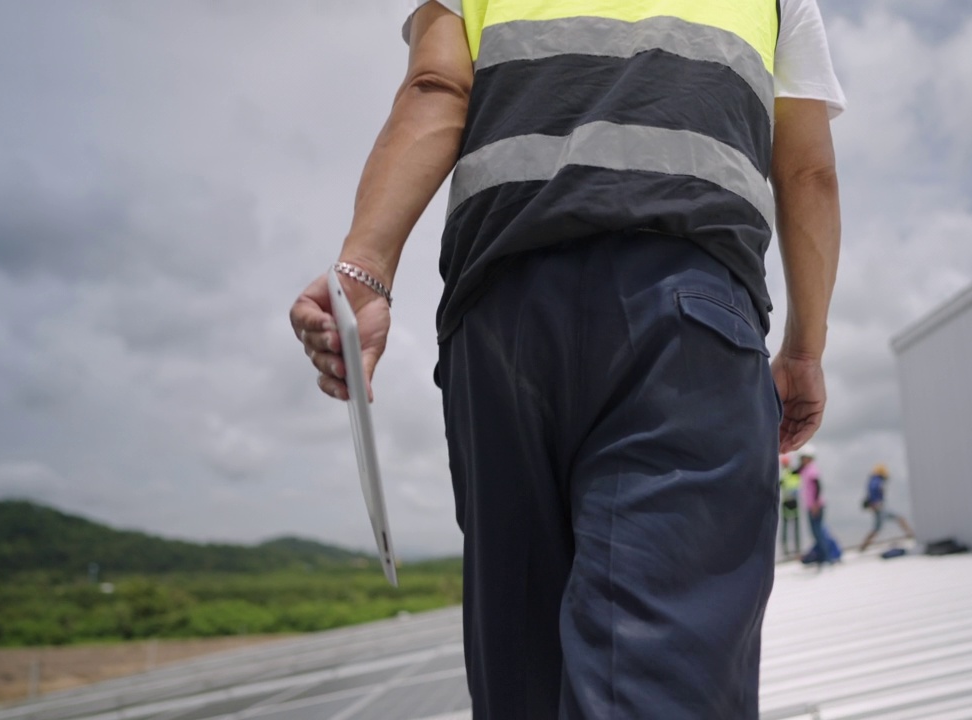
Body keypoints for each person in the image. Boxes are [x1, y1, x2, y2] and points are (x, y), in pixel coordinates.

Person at [290, 0, 845, 716]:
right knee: (660, 679)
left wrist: (364, 271)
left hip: (499, 319)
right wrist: (804, 349)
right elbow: (808, 174)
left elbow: (435, 88)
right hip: (686, 324)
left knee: (522, 677)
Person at [859, 464, 915, 552]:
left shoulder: (872, 480)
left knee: (876, 528)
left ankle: (863, 546)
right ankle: (911, 534)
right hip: (879, 507)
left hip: (878, 507)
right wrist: (876, 503)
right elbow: (875, 490)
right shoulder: (876, 480)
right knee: (899, 518)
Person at [779, 454, 802, 558]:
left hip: (793, 501)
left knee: (794, 525)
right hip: (787, 502)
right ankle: (786, 547)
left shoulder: (793, 472)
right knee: (786, 525)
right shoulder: (785, 474)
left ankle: (796, 547)